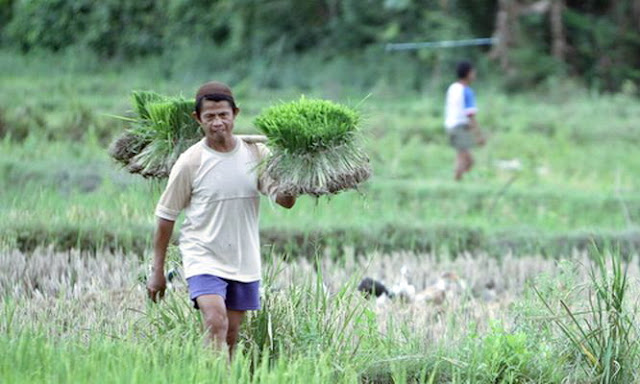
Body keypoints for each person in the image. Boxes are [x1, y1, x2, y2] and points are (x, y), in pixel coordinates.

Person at [146, 81, 296, 357]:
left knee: (230, 334)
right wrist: (157, 270)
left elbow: (285, 201)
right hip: (203, 255)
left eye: (223, 115)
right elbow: (165, 216)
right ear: (197, 119)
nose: (217, 123)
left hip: (243, 257)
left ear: (235, 114)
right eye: (210, 116)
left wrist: (295, 167)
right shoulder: (190, 161)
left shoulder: (256, 154)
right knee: (215, 322)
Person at [444, 61, 486, 181]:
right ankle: (457, 180)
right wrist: (479, 136)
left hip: (449, 126)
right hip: (459, 127)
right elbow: (471, 116)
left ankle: (458, 179)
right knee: (466, 160)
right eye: (473, 72)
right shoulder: (467, 92)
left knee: (462, 156)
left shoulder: (452, 88)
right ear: (468, 74)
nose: (474, 75)